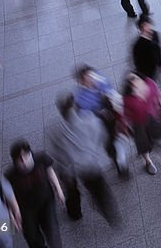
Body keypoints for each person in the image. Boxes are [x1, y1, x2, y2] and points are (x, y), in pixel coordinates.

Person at [48, 95, 118, 225]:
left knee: (72, 192)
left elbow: (56, 153)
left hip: (69, 169)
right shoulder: (90, 120)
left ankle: (75, 213)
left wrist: (65, 168)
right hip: (90, 166)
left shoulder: (56, 130)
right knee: (99, 190)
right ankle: (108, 213)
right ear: (74, 106)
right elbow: (102, 136)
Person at [4, 140, 64, 248]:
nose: (24, 161)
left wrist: (58, 189)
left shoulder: (40, 159)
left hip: (46, 202)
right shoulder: (10, 175)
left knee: (52, 231)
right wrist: (12, 215)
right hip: (26, 210)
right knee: (32, 237)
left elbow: (49, 171)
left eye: (26, 155)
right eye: (19, 159)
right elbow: (7, 196)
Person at [122, 73, 161, 175]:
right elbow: (126, 114)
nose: (137, 84)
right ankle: (147, 161)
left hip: (152, 117)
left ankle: (152, 144)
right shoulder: (128, 99)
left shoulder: (150, 84)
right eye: (133, 84)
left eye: (137, 80)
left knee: (154, 133)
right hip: (138, 124)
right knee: (143, 143)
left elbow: (158, 96)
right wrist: (126, 127)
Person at [131, 16, 161, 81]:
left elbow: (158, 50)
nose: (149, 27)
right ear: (141, 29)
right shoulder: (138, 46)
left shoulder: (155, 34)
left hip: (154, 65)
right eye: (145, 26)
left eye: (148, 24)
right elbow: (137, 62)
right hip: (146, 70)